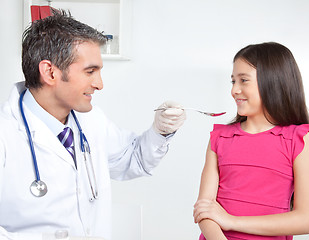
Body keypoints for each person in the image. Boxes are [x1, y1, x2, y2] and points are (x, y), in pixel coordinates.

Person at [0, 10, 186, 240]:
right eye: (90, 71)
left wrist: (160, 131)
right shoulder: (6, 134)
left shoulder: (91, 120)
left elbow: (132, 160)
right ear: (49, 72)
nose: (99, 84)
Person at [193, 42, 309, 240]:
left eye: (243, 80)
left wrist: (231, 221)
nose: (234, 90)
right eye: (233, 81)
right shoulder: (220, 138)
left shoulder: (299, 140)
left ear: (274, 82)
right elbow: (204, 210)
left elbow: (305, 220)